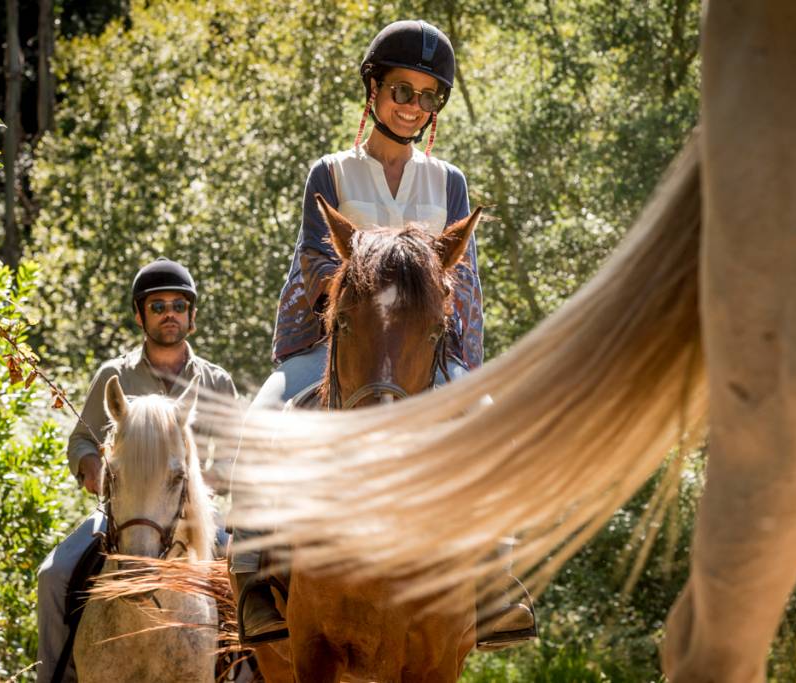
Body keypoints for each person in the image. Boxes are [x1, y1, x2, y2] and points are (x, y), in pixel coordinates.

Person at [230, 20, 535, 650]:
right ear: (373, 88)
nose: (415, 107)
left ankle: (494, 578)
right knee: (263, 416)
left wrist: (459, 357)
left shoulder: (448, 181)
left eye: (430, 97)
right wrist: (362, 302)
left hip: (424, 351)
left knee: (488, 422)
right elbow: (316, 259)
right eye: (403, 90)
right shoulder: (331, 171)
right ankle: (254, 572)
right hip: (340, 344)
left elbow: (465, 276)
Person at [36, 258, 237, 683]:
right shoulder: (115, 374)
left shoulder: (215, 381)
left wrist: (210, 478)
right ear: (140, 314)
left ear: (192, 316)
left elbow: (236, 450)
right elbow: (82, 440)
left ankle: (246, 670)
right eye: (158, 305)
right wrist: (91, 466)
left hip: (194, 517)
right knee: (53, 575)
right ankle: (56, 675)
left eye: (179, 306)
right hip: (125, 512)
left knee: (245, 574)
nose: (170, 314)